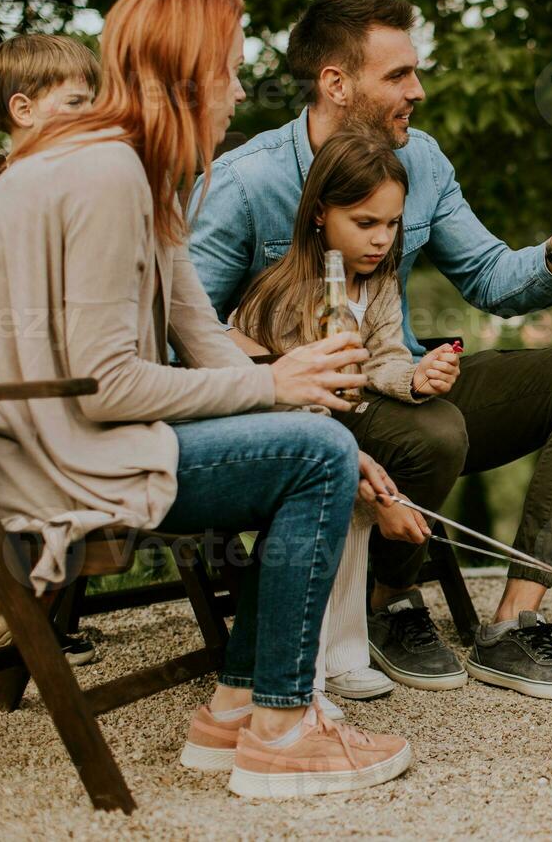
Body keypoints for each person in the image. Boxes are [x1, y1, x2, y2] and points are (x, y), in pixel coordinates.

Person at [0, 0, 411, 798]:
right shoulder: (104, 174)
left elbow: (198, 334)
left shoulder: (140, 174)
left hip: (72, 436)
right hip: (35, 462)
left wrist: (312, 413)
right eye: (227, 70)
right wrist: (278, 396)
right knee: (312, 456)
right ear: (191, 78)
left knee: (321, 447)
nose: (235, 91)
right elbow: (107, 386)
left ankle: (236, 709)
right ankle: (282, 730)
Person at [188, 0, 552, 701]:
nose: (417, 91)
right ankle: (388, 601)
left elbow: (489, 278)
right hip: (309, 408)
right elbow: (187, 331)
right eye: (398, 76)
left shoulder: (420, 161)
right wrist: (281, 378)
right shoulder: (247, 182)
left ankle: (516, 622)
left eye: (413, 73)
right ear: (336, 82)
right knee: (436, 432)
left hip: (406, 380)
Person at [230, 129, 465, 705]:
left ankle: (345, 652)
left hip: (339, 428)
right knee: (339, 501)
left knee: (359, 506)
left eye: (391, 224)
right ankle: (302, 665)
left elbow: (381, 358)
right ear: (319, 214)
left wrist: (414, 377)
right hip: (286, 437)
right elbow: (278, 391)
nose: (382, 240)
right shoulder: (285, 293)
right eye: (365, 223)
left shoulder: (380, 284)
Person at [0, 37, 102, 659]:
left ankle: (14, 601)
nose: (93, 116)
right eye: (77, 102)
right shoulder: (9, 198)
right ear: (23, 110)